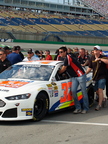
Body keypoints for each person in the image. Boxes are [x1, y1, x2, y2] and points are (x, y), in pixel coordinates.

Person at [58, 46, 89, 114]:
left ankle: (86, 108)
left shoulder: (68, 58)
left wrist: (58, 73)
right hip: (74, 77)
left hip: (80, 76)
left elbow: (63, 69)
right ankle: (78, 108)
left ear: (65, 52)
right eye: (59, 52)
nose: (60, 53)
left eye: (61, 52)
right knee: (73, 91)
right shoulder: (63, 58)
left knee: (84, 92)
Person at [86, 45, 108, 111]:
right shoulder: (92, 58)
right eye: (94, 50)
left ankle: (99, 104)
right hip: (95, 77)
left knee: (100, 90)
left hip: (102, 76)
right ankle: (103, 99)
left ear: (99, 51)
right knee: (96, 90)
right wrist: (85, 74)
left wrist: (100, 59)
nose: (95, 51)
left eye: (96, 50)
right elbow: (90, 67)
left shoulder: (103, 57)